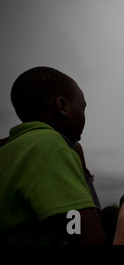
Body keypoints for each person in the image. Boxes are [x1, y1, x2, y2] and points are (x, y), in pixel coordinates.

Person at [0, 66, 106, 245]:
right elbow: (79, 226)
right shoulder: (51, 144)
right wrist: (74, 236)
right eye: (83, 108)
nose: (84, 116)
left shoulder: (8, 149)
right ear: (62, 106)